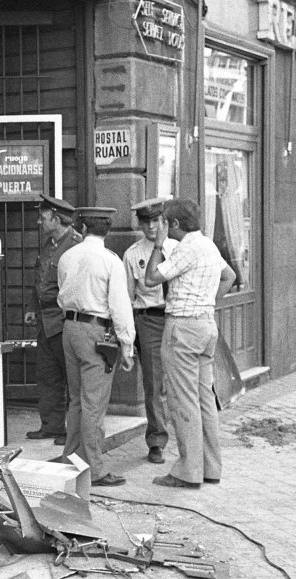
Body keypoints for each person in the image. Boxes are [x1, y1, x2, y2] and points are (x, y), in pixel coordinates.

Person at [144, 198, 236, 489]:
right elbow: (229, 275)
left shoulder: (186, 248)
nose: (160, 227)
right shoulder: (208, 244)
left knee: (182, 400)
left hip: (182, 327)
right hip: (206, 325)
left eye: (164, 222)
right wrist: (207, 304)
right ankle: (210, 467)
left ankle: (187, 471)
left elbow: (151, 278)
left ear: (175, 224)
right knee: (204, 399)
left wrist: (158, 246)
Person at [54, 206, 136, 487]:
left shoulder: (67, 256)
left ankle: (71, 461)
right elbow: (120, 307)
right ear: (107, 230)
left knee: (76, 399)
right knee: (94, 404)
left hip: (70, 327)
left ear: (82, 228)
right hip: (96, 331)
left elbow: (61, 295)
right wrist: (127, 346)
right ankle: (94, 469)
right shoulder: (110, 260)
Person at [123, 197, 178, 465]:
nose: (151, 227)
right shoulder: (133, 254)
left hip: (178, 319)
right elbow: (128, 298)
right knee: (154, 385)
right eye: (145, 222)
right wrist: (130, 336)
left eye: (156, 221)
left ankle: (192, 437)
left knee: (184, 382)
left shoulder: (179, 249)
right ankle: (157, 441)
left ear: (165, 222)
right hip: (150, 321)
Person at [25, 195, 83, 445]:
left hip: (63, 319)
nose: (39, 221)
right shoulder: (49, 245)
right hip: (45, 320)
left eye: (43, 217)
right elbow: (39, 279)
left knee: (71, 378)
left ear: (56, 219)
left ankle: (72, 431)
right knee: (47, 375)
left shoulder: (76, 245)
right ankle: (52, 426)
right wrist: (31, 307)